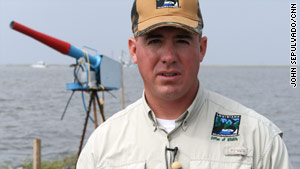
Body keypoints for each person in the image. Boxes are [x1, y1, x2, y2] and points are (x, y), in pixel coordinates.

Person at [77, 0, 292, 168]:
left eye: (182, 40)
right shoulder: (102, 147)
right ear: (134, 50)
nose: (169, 56)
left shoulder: (258, 138)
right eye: (155, 41)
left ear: (201, 48)